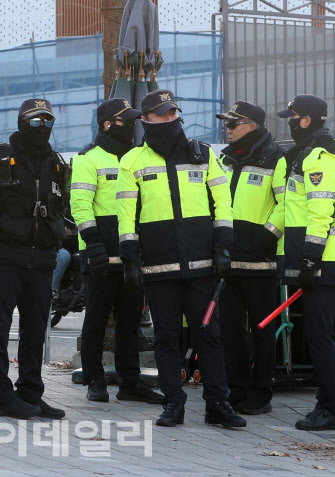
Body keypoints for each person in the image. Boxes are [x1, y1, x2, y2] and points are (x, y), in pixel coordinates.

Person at [116, 89, 246, 428]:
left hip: (202, 264)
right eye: (161, 114)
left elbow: (223, 205)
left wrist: (223, 247)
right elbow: (126, 217)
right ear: (146, 120)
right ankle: (174, 403)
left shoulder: (203, 154)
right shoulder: (132, 161)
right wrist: (130, 259)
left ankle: (218, 403)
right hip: (159, 268)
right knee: (166, 339)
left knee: (210, 336)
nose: (169, 119)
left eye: (173, 112)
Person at [0, 98, 68, 420]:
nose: (43, 127)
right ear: (22, 122)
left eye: (48, 121)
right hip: (5, 258)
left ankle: (31, 394)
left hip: (41, 262)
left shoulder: (58, 164)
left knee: (35, 332)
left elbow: (60, 207)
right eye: (36, 121)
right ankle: (1, 397)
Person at [71, 98, 164, 404]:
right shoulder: (88, 159)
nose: (133, 126)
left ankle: (130, 383)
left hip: (132, 256)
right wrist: (94, 244)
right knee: (96, 322)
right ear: (107, 124)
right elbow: (80, 206)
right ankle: (94, 380)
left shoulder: (138, 157)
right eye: (127, 121)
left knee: (130, 324)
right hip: (100, 255)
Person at [275, 94, 335, 431]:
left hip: (322, 261)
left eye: (292, 117)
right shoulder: (316, 152)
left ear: (306, 119)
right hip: (332, 260)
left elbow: (320, 210)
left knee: (322, 337)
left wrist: (309, 258)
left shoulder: (318, 157)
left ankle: (327, 408)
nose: (290, 123)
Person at [215, 101, 286, 415]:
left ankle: (261, 394)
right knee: (230, 329)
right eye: (226, 125)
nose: (228, 130)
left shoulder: (277, 158)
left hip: (261, 262)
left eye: (234, 124)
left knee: (262, 330)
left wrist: (265, 237)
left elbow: (286, 206)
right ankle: (236, 388)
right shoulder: (224, 159)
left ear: (253, 125)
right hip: (229, 261)